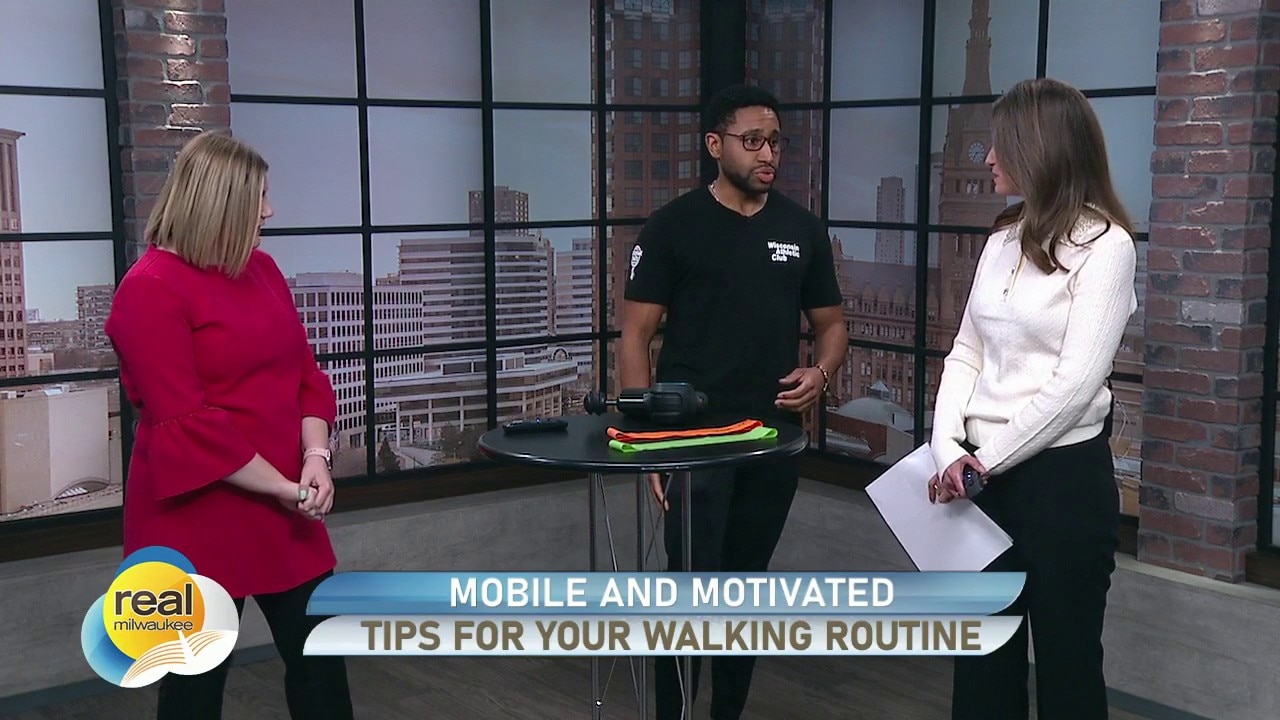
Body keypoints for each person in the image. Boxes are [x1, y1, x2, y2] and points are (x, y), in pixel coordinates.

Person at [105, 132, 354, 720]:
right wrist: (284, 487)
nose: (270, 211)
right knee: (193, 688)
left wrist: (315, 457)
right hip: (193, 516)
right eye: (258, 198)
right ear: (219, 202)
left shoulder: (262, 269)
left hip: (286, 506)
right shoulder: (148, 290)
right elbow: (187, 423)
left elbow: (305, 375)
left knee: (321, 663)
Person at [620, 84, 847, 720]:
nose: (767, 153)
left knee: (747, 588)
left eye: (775, 141)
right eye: (753, 141)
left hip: (772, 438)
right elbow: (634, 337)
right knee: (688, 590)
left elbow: (832, 325)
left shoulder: (801, 230)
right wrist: (648, 442)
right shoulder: (672, 227)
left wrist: (821, 373)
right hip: (693, 439)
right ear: (715, 145)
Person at [927, 77, 1137, 720]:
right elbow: (966, 351)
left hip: (1059, 484)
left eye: (1002, 144)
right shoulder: (1000, 240)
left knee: (1068, 668)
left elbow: (1074, 386)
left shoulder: (1107, 247)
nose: (990, 157)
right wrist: (945, 449)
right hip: (978, 481)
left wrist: (982, 461)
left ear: (1039, 149)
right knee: (982, 667)